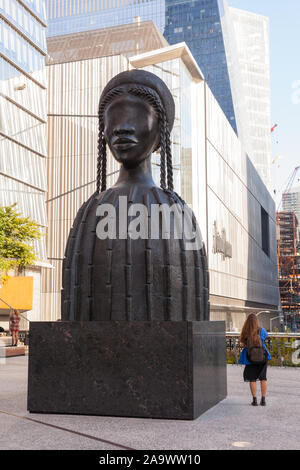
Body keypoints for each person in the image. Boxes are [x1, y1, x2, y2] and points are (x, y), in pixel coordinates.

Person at [238, 313, 271, 406]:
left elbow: (243, 342)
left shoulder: (245, 332)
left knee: (252, 379)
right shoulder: (262, 330)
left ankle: (254, 400)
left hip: (250, 358)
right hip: (262, 357)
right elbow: (266, 338)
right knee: (263, 378)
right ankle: (263, 400)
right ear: (256, 321)